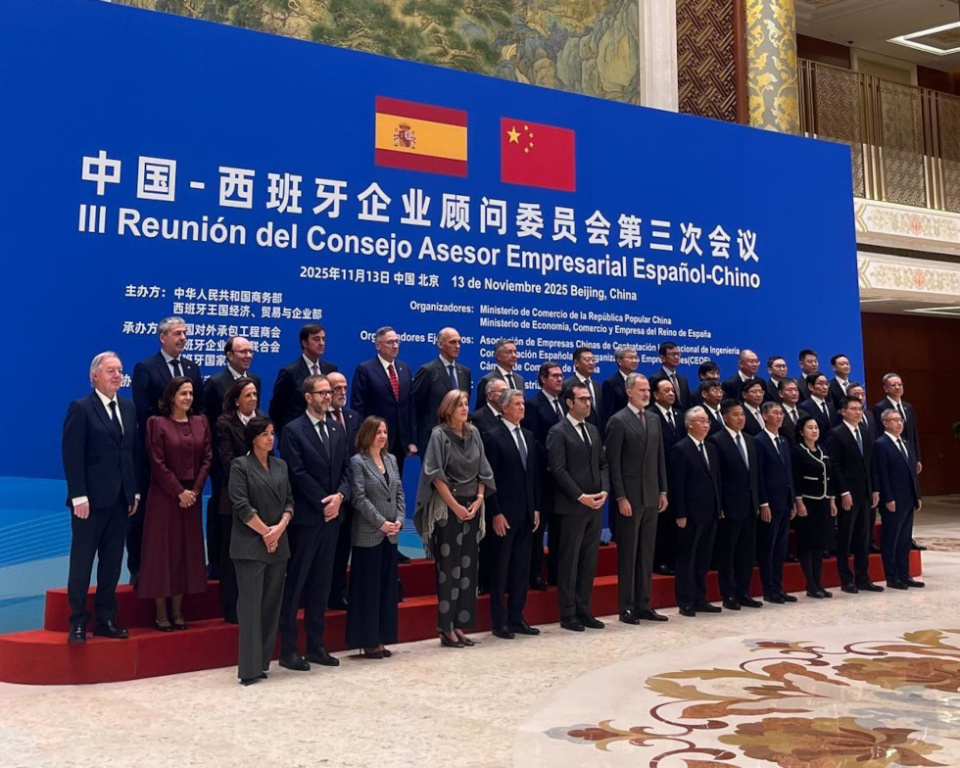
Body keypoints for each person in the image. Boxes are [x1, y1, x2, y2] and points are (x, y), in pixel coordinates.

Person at [62, 352, 139, 644]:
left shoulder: (129, 408)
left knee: (111, 562)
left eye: (120, 370)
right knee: (82, 562)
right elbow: (72, 456)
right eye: (111, 371)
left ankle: (106, 618)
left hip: (120, 500)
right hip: (89, 502)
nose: (117, 375)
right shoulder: (81, 408)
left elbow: (130, 454)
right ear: (95, 375)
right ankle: (78, 621)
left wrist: (134, 492)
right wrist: (78, 495)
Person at [278, 374, 351, 671]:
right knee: (296, 583)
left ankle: (316, 645)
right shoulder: (293, 430)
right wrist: (325, 501)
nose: (327, 397)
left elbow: (348, 469)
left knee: (322, 582)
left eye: (328, 392)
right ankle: (288, 649)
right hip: (308, 518)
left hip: (333, 517)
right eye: (321, 393)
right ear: (308, 397)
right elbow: (296, 473)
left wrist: (340, 497)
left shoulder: (336, 428)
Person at [414, 390, 495, 648]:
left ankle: (460, 624)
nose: (464, 407)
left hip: (473, 506)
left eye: (465, 403)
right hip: (448, 508)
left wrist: (480, 499)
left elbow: (484, 470)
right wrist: (456, 506)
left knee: (469, 569)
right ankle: (445, 627)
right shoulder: (439, 435)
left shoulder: (474, 434)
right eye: (459, 404)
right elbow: (435, 475)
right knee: (449, 569)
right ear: (448, 408)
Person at [129, 316, 204, 587]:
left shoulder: (192, 368)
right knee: (145, 515)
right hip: (154, 453)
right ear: (162, 337)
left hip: (185, 455)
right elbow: (143, 411)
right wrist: (169, 429)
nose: (183, 337)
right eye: (177, 333)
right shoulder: (146, 368)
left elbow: (198, 409)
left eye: (185, 333)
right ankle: (138, 568)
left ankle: (180, 571)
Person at [138, 376, 212, 630]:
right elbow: (157, 462)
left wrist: (194, 490)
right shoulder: (156, 423)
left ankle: (178, 611)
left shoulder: (201, 421)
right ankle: (161, 612)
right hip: (165, 497)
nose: (188, 398)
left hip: (192, 497)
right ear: (171, 397)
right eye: (183, 393)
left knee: (185, 552)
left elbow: (207, 458)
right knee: (162, 553)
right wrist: (178, 491)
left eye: (191, 393)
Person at [227, 416, 293, 686]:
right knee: (251, 607)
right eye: (265, 433)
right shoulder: (240, 466)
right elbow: (241, 505)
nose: (270, 438)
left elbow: (289, 501)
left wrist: (279, 528)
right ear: (253, 437)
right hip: (250, 545)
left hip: (278, 543)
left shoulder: (281, 465)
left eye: (272, 433)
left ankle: (263, 661)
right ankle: (249, 667)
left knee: (270, 607)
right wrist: (266, 532)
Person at [604, 373, 668, 624]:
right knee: (629, 553)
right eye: (641, 390)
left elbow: (659, 457)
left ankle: (644, 603)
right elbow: (614, 463)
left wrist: (663, 490)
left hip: (651, 494)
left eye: (648, 391)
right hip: (630, 496)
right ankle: (626, 606)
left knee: (646, 553)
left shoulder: (653, 419)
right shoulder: (618, 421)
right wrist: (620, 496)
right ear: (629, 392)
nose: (646, 394)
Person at [546, 383, 609, 632]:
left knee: (588, 561)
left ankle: (585, 609)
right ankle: (568, 613)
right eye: (582, 399)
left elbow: (603, 463)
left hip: (595, 504)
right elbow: (558, 470)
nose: (587, 403)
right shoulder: (558, 432)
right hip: (572, 506)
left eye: (589, 399)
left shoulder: (593, 429)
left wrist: (603, 489)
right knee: (569, 561)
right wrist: (580, 495)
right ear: (569, 403)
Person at [482, 390, 541, 639]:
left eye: (522, 404)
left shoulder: (528, 435)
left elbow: (533, 476)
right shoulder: (492, 437)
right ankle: (499, 621)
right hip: (503, 515)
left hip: (526, 513)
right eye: (516, 404)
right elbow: (489, 478)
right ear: (504, 408)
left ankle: (517, 616)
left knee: (520, 570)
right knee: (501, 569)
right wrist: (495, 512)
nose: (521, 407)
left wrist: (535, 507)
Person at [204, 336, 260, 580]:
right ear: (229, 355)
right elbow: (207, 421)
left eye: (250, 351)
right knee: (221, 508)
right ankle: (215, 560)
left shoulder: (254, 380)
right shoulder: (216, 382)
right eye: (242, 352)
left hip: (251, 457)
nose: (247, 355)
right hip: (223, 457)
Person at [347, 417, 404, 658]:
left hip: (391, 535)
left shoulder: (391, 459)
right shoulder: (358, 462)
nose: (382, 435)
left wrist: (399, 520)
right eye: (378, 431)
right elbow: (359, 498)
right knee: (368, 590)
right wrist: (381, 523)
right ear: (367, 434)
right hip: (369, 534)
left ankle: (382, 637)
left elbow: (399, 492)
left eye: (385, 431)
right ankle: (368, 640)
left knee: (386, 590)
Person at [710, 400, 767, 611]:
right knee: (728, 553)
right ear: (725, 417)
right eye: (735, 414)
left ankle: (744, 592)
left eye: (742, 414)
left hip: (750, 506)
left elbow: (756, 475)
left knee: (746, 553)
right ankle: (729, 594)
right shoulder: (717, 441)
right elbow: (717, 477)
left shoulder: (751, 441)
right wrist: (720, 504)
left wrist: (760, 502)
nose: (740, 418)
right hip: (729, 507)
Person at [215, 377, 264, 623]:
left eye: (255, 394)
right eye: (248, 395)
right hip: (234, 498)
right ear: (236, 400)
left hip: (261, 498)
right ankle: (231, 605)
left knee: (256, 554)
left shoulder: (262, 422)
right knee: (233, 555)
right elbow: (228, 462)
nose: (253, 399)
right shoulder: (225, 424)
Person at [827, 397, 883, 594]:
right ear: (843, 411)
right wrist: (843, 491)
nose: (858, 412)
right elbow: (834, 466)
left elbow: (871, 463)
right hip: (848, 493)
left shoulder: (866, 433)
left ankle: (863, 576)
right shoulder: (836, 434)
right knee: (846, 536)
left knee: (863, 536)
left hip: (866, 492)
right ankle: (846, 578)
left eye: (860, 409)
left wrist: (875, 489)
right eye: (853, 409)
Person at [670, 407, 721, 617]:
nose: (706, 424)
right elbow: (677, 485)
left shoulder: (710, 448)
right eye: (701, 421)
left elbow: (716, 480)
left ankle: (701, 598)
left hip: (710, 512)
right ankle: (686, 601)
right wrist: (680, 513)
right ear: (690, 424)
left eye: (707, 421)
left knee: (703, 559)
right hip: (690, 514)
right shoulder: (680, 449)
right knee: (687, 558)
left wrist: (719, 507)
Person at [522, 361, 566, 588]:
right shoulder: (533, 405)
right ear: (542, 379)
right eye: (555, 376)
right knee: (539, 529)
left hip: (565, 480)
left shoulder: (566, 404)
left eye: (561, 376)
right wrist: (553, 460)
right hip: (544, 476)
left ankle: (557, 572)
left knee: (561, 528)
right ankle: (536, 574)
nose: (560, 379)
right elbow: (534, 439)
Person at [350, 326, 417, 474]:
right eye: (390, 342)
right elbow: (358, 407)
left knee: (395, 484)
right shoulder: (365, 369)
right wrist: (364, 438)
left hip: (400, 441)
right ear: (378, 345)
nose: (395, 346)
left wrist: (412, 439)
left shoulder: (404, 369)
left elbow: (410, 406)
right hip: (374, 438)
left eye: (397, 342)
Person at [872, 373, 925, 552]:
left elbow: (913, 434)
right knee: (893, 528)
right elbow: (880, 434)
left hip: (906, 452)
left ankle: (908, 541)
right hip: (890, 454)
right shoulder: (881, 407)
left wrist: (916, 457)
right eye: (893, 385)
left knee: (906, 520)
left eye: (900, 384)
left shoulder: (908, 407)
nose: (897, 388)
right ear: (886, 388)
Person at [873, 409, 924, 589]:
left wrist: (917, 495)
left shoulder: (905, 442)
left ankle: (905, 574)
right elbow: (883, 473)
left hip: (908, 498)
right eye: (894, 420)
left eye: (900, 420)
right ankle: (892, 576)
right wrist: (888, 497)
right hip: (893, 498)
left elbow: (912, 473)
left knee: (904, 539)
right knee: (891, 539)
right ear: (886, 423)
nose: (899, 423)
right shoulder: (881, 444)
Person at [755, 401, 797, 604]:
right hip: (769, 504)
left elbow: (789, 474)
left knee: (781, 548)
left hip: (784, 502)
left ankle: (778, 586)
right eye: (775, 413)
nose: (780, 416)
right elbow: (759, 476)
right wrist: (763, 503)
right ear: (764, 416)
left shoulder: (783, 442)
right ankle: (768, 589)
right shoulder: (759, 441)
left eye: (781, 413)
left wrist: (793, 501)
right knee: (768, 548)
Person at [326, 371, 361, 609]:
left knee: (344, 549)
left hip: (352, 493)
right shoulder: (320, 419)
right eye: (336, 388)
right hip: (329, 494)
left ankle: (338, 593)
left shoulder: (352, 416)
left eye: (344, 387)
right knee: (326, 550)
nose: (341, 392)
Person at [792, 414, 837, 599]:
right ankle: (810, 584)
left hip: (823, 502)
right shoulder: (798, 451)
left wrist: (832, 500)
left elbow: (830, 476)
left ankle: (819, 583)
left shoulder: (822, 450)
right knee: (808, 544)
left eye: (816, 427)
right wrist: (799, 501)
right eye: (810, 427)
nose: (814, 431)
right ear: (802, 431)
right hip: (808, 502)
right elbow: (795, 479)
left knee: (820, 545)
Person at [269, 323, 337, 439]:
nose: (321, 343)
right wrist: (285, 435)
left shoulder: (330, 369)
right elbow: (276, 409)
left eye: (323, 339)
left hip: (324, 435)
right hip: (297, 436)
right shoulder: (289, 372)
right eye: (316, 339)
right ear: (304, 343)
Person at [412, 327, 472, 456]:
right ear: (440, 344)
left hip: (459, 437)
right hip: (433, 437)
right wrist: (414, 440)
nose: (457, 346)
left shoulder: (465, 372)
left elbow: (466, 403)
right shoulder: (428, 371)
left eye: (459, 342)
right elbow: (415, 406)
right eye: (452, 342)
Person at [475, 338, 525, 409]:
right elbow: (480, 409)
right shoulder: (487, 380)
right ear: (498, 356)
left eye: (515, 352)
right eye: (509, 352)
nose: (514, 355)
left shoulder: (519, 379)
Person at [600, 346, 639, 432]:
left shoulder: (639, 382)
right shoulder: (610, 383)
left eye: (636, 357)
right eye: (630, 357)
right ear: (619, 361)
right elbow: (608, 414)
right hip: (620, 431)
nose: (634, 361)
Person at [563, 347, 602, 427]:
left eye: (593, 360)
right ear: (576, 363)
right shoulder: (567, 386)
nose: (591, 363)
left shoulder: (596, 386)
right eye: (587, 360)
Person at [650, 342, 690, 412]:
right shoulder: (656, 379)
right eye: (673, 354)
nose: (676, 357)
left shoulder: (683, 380)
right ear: (662, 358)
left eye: (678, 354)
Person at [800, 373, 836, 438]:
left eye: (826, 384)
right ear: (810, 387)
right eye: (820, 384)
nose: (825, 387)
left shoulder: (831, 406)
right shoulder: (804, 407)